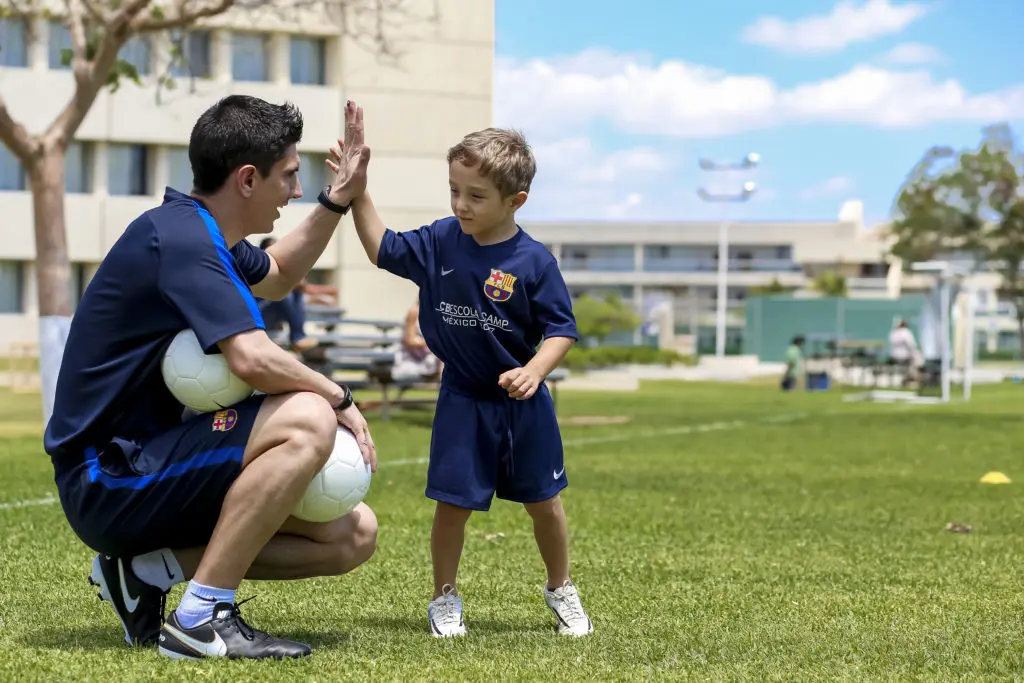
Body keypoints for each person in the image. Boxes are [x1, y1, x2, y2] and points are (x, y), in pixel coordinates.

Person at [44, 95, 378, 661]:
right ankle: (201, 618)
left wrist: (336, 201)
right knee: (306, 418)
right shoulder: (182, 240)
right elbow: (251, 358)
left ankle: (145, 573)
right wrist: (338, 394)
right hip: (106, 477)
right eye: (291, 177)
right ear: (248, 179)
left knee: (353, 535)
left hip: (147, 465)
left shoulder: (204, 236)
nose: (296, 192)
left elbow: (277, 274)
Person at [338, 126, 594, 637]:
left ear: (515, 200)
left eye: (476, 196)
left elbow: (562, 330)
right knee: (452, 506)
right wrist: (358, 189)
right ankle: (444, 597)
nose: (461, 204)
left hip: (522, 406)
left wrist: (534, 370)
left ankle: (560, 586)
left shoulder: (534, 261)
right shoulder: (439, 240)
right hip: (461, 399)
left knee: (544, 504)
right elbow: (381, 248)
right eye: (454, 190)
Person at [257, 236, 318, 353]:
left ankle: (298, 338)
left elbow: (302, 286)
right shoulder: (259, 263)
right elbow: (278, 286)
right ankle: (297, 338)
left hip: (276, 313)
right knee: (285, 294)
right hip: (260, 313)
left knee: (296, 293)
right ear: (264, 250)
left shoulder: (281, 265)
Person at [392, 300, 442, 381]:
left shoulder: (436, 312)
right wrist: (433, 342)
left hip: (429, 358)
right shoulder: (414, 311)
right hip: (411, 359)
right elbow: (410, 341)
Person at [888, 319, 921, 384]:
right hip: (904, 356)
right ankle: (916, 375)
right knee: (917, 357)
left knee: (914, 358)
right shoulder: (906, 332)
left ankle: (912, 375)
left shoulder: (893, 333)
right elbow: (912, 345)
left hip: (894, 356)